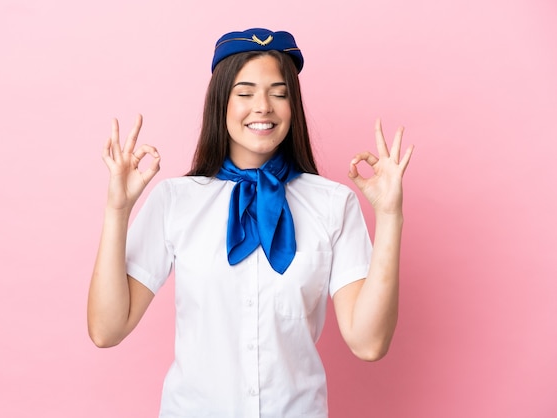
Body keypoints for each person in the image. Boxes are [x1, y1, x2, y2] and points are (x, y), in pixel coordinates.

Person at [88, 28, 413, 417]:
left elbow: (369, 343)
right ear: (221, 103)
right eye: (245, 93)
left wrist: (390, 216)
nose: (263, 106)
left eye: (279, 93)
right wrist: (116, 210)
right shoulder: (176, 201)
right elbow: (106, 330)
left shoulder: (333, 204)